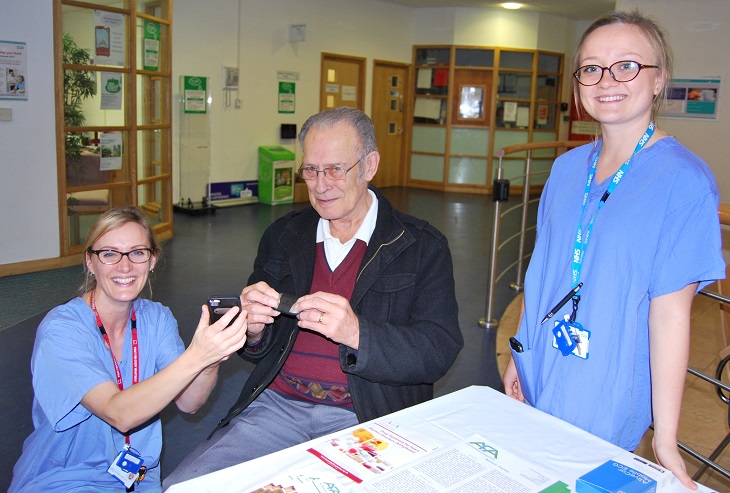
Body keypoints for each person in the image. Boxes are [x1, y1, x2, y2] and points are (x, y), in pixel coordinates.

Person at [164, 107, 463, 486]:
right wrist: (252, 330)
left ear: (369, 165)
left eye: (336, 169)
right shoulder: (283, 237)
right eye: (310, 170)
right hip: (277, 407)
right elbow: (258, 349)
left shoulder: (420, 246)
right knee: (186, 486)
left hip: (364, 415)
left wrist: (358, 333)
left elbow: (438, 349)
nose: (321, 185)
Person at [502, 10, 725, 490]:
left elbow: (670, 315)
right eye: (591, 68)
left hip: (607, 382)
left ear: (659, 79)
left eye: (627, 65)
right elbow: (544, 274)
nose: (607, 80)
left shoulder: (684, 182)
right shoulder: (564, 169)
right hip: (541, 362)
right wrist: (518, 353)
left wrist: (666, 440)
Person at [10, 206, 248, 492]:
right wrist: (196, 356)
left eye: (137, 253)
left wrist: (209, 362)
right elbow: (118, 413)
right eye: (109, 254)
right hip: (67, 476)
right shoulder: (61, 330)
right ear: (90, 261)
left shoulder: (157, 318)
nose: (125, 267)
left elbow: (189, 402)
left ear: (152, 260)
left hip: (139, 476)